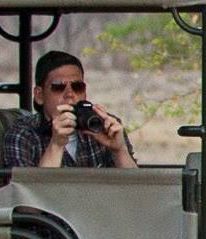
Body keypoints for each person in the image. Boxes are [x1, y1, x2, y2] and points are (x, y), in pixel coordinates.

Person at [1, 50, 137, 169]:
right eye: (58, 87)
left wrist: (120, 151)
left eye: (77, 87)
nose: (70, 94)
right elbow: (28, 189)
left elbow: (135, 186)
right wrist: (56, 145)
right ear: (39, 95)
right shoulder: (22, 134)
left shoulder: (104, 126)